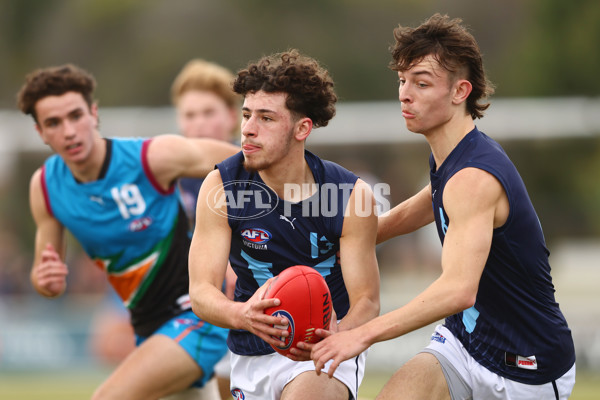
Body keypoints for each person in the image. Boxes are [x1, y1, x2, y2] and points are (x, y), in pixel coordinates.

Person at [311, 14, 576, 400]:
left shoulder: (472, 178)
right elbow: (423, 205)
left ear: (459, 91)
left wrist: (361, 333)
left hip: (524, 368)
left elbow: (457, 290)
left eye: (421, 83)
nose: (404, 94)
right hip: (464, 342)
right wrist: (348, 238)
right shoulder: (450, 155)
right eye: (402, 81)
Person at [17, 63, 239, 400]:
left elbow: (250, 163)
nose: (69, 131)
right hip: (147, 327)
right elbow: (46, 276)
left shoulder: (152, 157)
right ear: (40, 132)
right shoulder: (45, 187)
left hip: (197, 315)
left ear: (94, 113)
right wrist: (45, 281)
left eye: (76, 115)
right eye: (53, 123)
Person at [188, 49, 381, 400]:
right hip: (251, 352)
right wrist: (243, 314)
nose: (247, 129)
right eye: (246, 115)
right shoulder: (220, 188)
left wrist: (340, 333)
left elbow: (367, 299)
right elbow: (201, 292)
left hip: (323, 353)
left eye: (266, 118)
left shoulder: (350, 195)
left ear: (301, 128)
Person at [170, 58, 240, 400]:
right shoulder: (165, 179)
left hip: (245, 307)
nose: (198, 123)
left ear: (231, 116)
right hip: (181, 313)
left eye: (207, 112)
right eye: (189, 115)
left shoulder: (260, 172)